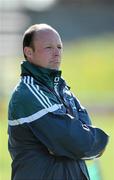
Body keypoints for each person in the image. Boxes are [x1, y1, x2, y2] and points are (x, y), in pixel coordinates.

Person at [8, 23, 109, 180]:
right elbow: (79, 143)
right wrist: (95, 140)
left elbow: (82, 135)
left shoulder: (62, 88)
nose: (56, 53)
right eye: (48, 48)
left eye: (59, 47)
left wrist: (78, 141)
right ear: (29, 52)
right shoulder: (28, 94)